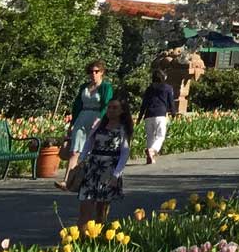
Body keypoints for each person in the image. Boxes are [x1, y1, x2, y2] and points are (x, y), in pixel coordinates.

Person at [76, 95, 132, 227]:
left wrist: (116, 174)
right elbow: (89, 142)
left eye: (115, 108)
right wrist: (82, 159)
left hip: (108, 170)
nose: (111, 110)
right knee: (85, 204)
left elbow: (124, 153)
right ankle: (81, 234)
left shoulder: (123, 129)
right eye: (109, 107)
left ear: (121, 111)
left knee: (101, 210)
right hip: (93, 167)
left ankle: (97, 236)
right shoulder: (100, 125)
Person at [64, 61, 114, 178]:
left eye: (96, 71)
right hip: (82, 117)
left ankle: (89, 178)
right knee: (75, 150)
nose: (93, 74)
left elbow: (107, 104)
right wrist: (72, 123)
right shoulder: (84, 87)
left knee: (92, 150)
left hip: (97, 118)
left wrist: (100, 118)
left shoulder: (106, 87)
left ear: (101, 72)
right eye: (91, 71)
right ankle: (67, 180)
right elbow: (77, 106)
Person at [139, 69, 175, 164]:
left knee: (150, 136)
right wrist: (173, 113)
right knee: (160, 135)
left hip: (148, 115)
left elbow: (144, 104)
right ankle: (152, 150)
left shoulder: (149, 88)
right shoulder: (168, 88)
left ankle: (150, 157)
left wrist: (139, 117)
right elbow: (171, 102)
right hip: (160, 114)